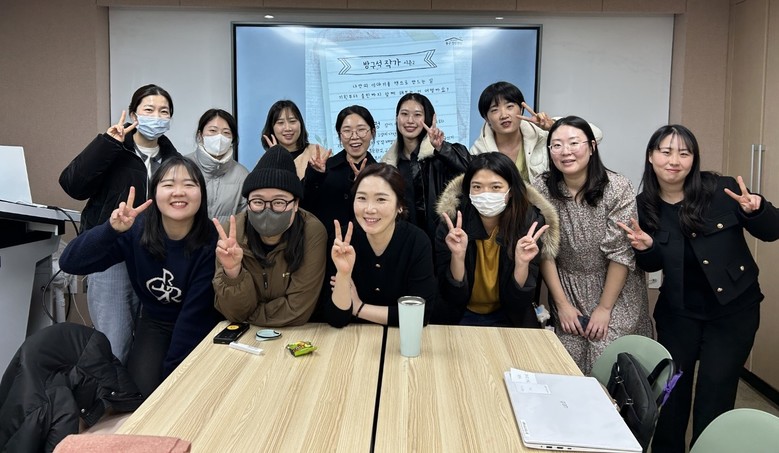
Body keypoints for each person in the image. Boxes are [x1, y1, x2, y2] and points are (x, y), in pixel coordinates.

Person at [617, 125, 779, 452]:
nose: (674, 160)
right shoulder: (643, 206)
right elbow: (652, 264)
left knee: (715, 394)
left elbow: (772, 231)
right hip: (679, 315)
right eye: (666, 152)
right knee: (672, 393)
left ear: (694, 158)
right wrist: (647, 248)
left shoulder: (722, 190)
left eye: (684, 153)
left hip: (734, 313)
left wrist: (758, 209)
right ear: (651, 157)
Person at [59, 157, 223, 398]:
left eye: (189, 184)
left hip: (201, 324)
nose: (179, 192)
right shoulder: (137, 229)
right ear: (154, 193)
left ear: (202, 194)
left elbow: (193, 320)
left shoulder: (211, 240)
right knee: (139, 395)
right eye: (168, 184)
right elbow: (70, 262)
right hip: (155, 322)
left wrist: (171, 380)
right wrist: (110, 230)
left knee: (186, 391)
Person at [59, 84, 180, 364]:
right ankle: (108, 391)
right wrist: (107, 144)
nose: (156, 117)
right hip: (111, 255)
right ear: (134, 114)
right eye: (149, 109)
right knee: (114, 341)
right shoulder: (114, 149)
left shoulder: (174, 161)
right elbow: (72, 185)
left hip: (152, 256)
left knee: (149, 342)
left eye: (164, 112)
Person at [533, 116, 652, 374]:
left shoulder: (617, 187)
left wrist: (605, 308)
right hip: (567, 286)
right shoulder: (541, 186)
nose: (566, 151)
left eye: (574, 143)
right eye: (557, 145)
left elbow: (620, 252)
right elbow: (545, 251)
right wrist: (562, 305)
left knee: (608, 360)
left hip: (615, 288)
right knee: (568, 363)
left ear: (592, 147)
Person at [435, 152, 559, 327]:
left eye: (496, 187)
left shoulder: (529, 223)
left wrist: (522, 264)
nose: (485, 194)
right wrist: (458, 257)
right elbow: (451, 296)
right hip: (459, 314)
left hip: (508, 315)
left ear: (511, 191)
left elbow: (519, 302)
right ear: (468, 190)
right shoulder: (452, 221)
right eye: (477, 187)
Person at [213, 145, 327, 326]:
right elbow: (232, 312)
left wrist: (249, 315)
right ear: (248, 203)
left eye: (279, 202)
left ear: (296, 204)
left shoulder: (312, 232)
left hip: (297, 333)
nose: (268, 210)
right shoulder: (231, 234)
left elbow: (298, 310)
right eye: (258, 201)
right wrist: (233, 272)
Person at [327, 163, 436, 327]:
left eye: (381, 199)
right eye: (362, 198)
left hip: (400, 337)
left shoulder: (417, 242)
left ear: (399, 206)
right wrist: (343, 275)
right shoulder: (342, 241)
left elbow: (420, 316)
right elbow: (336, 319)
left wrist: (359, 308)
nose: (369, 209)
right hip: (352, 337)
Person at [470, 81, 603, 184]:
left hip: (546, 207)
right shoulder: (478, 152)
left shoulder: (541, 134)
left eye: (510, 106)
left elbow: (596, 135)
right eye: (494, 110)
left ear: (521, 109)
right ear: (486, 118)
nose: (504, 115)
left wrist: (553, 127)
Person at [381, 92, 471, 241]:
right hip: (405, 242)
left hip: (444, 240)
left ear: (429, 119)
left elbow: (473, 171)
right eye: (404, 114)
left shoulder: (441, 155)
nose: (410, 120)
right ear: (397, 118)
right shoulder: (389, 165)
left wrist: (442, 148)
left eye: (417, 115)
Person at [302, 105, 377, 243]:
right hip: (327, 247)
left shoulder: (381, 174)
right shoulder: (324, 168)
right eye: (347, 131)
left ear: (372, 132)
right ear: (339, 135)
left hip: (369, 246)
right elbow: (303, 206)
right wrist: (315, 175)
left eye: (361, 130)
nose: (354, 137)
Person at [185, 108, 248, 223]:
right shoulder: (182, 166)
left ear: (232, 139)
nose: (219, 137)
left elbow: (243, 218)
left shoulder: (242, 175)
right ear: (200, 135)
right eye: (213, 130)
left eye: (226, 133)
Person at [261, 100, 326, 180]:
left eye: (292, 121)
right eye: (280, 123)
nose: (288, 128)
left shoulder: (318, 153)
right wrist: (275, 156)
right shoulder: (265, 161)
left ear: (300, 124)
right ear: (272, 128)